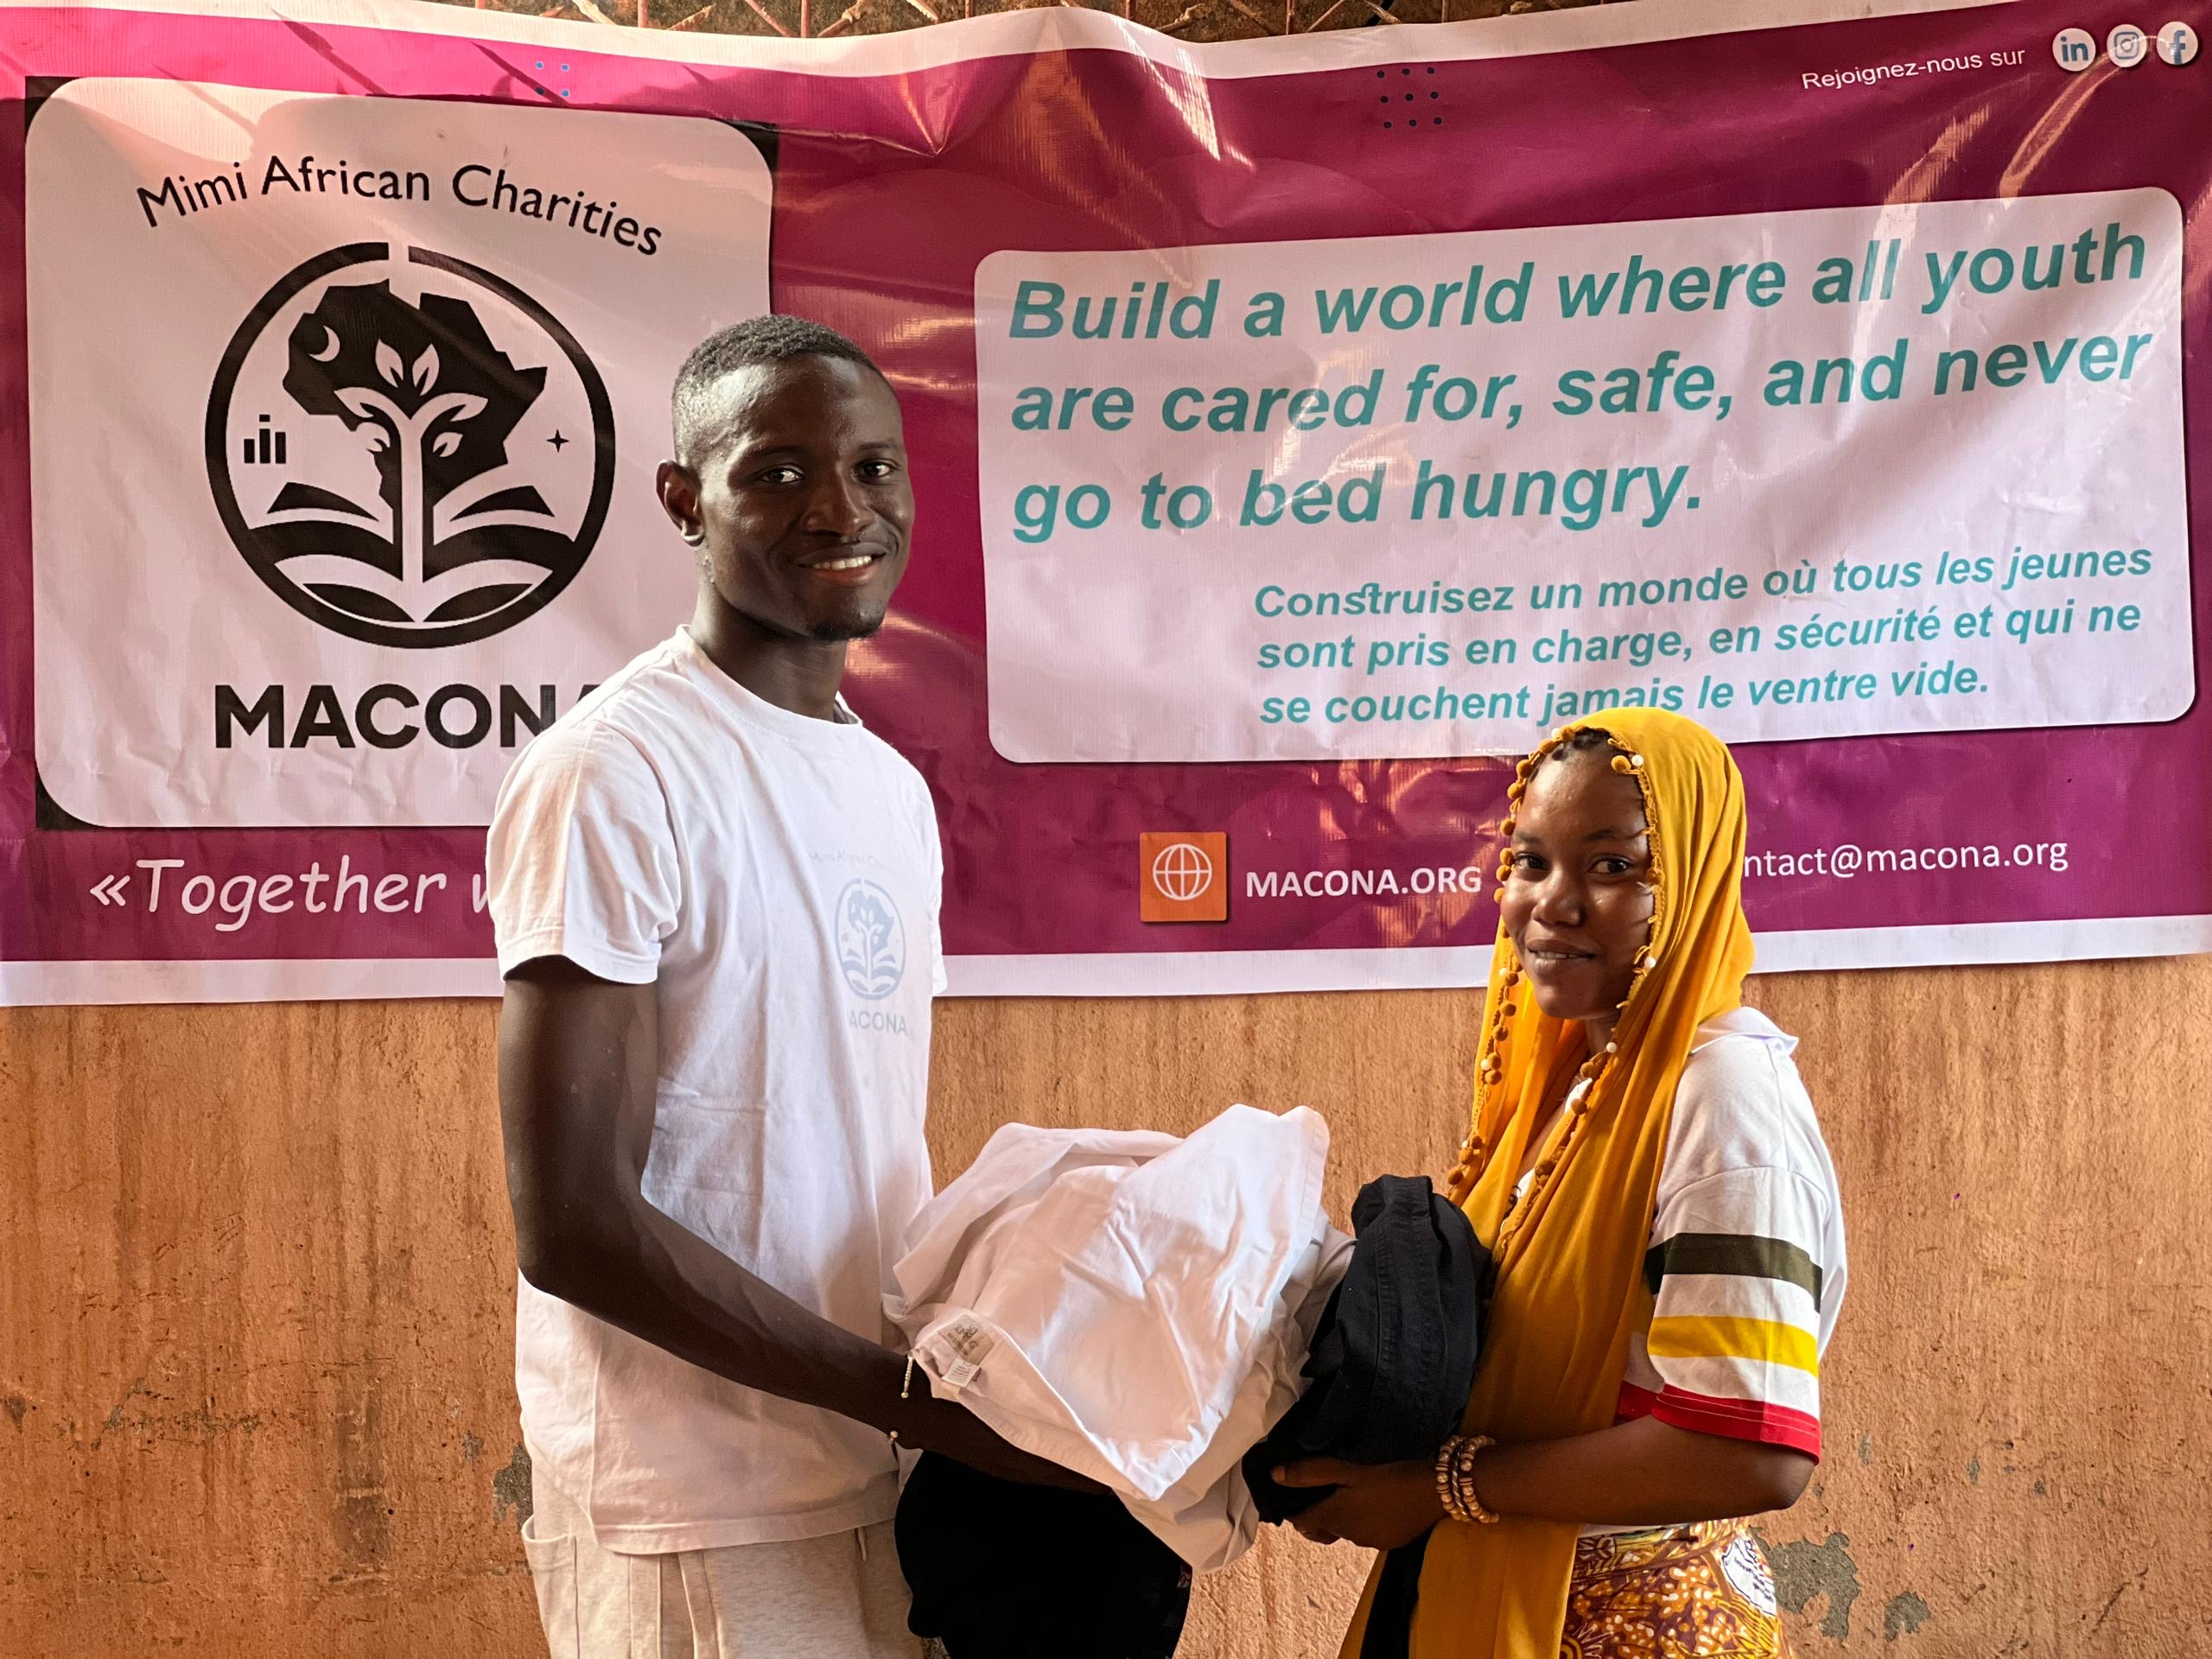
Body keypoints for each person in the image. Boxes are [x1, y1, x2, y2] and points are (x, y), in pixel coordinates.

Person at [487, 315, 1071, 1659]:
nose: (841, 509)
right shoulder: (618, 772)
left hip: (876, 1475)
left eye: (874, 469)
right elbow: (573, 1225)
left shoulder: (888, 788)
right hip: (697, 1502)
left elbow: (837, 1144)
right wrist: (918, 1403)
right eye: (778, 470)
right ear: (685, 500)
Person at [1274, 708, 1847, 1658]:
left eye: (1615, 865)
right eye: (1530, 860)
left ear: (1698, 879)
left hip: (1634, 1625)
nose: (1554, 901)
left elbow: (1753, 1449)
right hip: (1495, 1582)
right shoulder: (1573, 1087)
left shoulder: (1721, 1094)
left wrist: (1440, 1487)